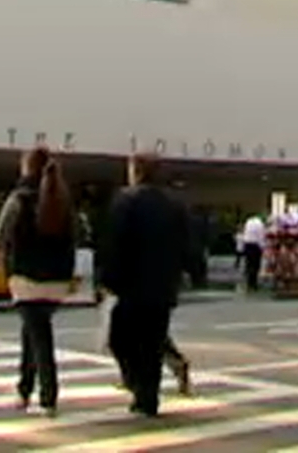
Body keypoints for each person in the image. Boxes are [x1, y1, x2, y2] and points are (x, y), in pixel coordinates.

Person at [0, 147, 77, 417]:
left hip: (26, 279)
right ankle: (24, 388)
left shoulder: (18, 199)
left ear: (26, 167)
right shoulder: (63, 200)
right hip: (57, 281)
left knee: (39, 335)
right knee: (32, 330)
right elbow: (73, 241)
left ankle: (48, 396)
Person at [100, 154, 192, 418]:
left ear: (136, 172)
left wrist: (108, 279)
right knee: (152, 344)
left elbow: (115, 243)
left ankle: (136, 384)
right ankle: (148, 397)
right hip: (163, 284)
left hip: (131, 284)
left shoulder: (125, 200)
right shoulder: (174, 204)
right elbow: (186, 244)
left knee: (119, 339)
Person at [239, 213, 266, 293]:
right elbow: (261, 236)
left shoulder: (248, 222)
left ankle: (248, 283)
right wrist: (262, 247)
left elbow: (245, 234)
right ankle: (253, 283)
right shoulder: (259, 223)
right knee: (255, 265)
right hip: (255, 246)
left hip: (247, 245)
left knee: (249, 264)